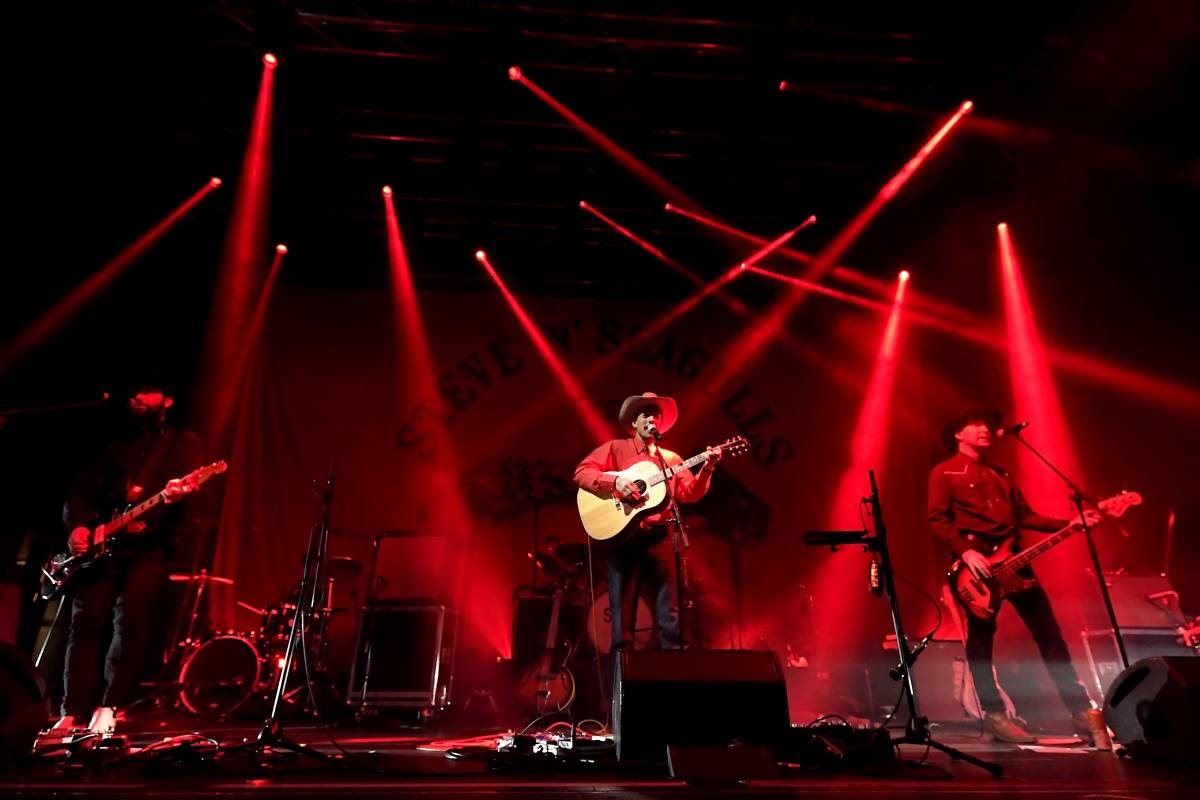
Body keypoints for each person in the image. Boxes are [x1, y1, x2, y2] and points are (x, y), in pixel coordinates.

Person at [928, 409, 1098, 744]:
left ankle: (1080, 712)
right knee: (981, 645)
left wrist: (1070, 523)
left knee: (1050, 635)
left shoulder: (1000, 473)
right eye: (976, 425)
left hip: (1015, 561)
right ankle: (993, 716)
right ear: (958, 434)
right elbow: (937, 518)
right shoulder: (944, 472)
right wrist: (965, 551)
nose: (985, 429)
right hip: (975, 570)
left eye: (987, 425)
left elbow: (1026, 516)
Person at [50, 385, 204, 737]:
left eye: (147, 392)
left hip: (150, 547)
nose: (137, 398)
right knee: (85, 624)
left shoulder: (183, 443)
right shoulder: (110, 443)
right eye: (134, 392)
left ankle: (110, 707)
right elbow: (78, 490)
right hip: (100, 545)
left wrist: (175, 496)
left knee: (131, 619)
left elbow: (183, 495)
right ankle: (71, 711)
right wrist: (76, 528)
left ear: (168, 400)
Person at [574, 392, 721, 650]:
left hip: (661, 537)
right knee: (622, 616)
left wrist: (707, 468)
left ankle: (673, 676)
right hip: (625, 540)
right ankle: (623, 678)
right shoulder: (616, 448)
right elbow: (582, 473)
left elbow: (689, 493)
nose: (652, 418)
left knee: (671, 614)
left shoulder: (671, 459)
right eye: (646, 414)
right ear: (634, 422)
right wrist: (616, 481)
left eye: (656, 415)